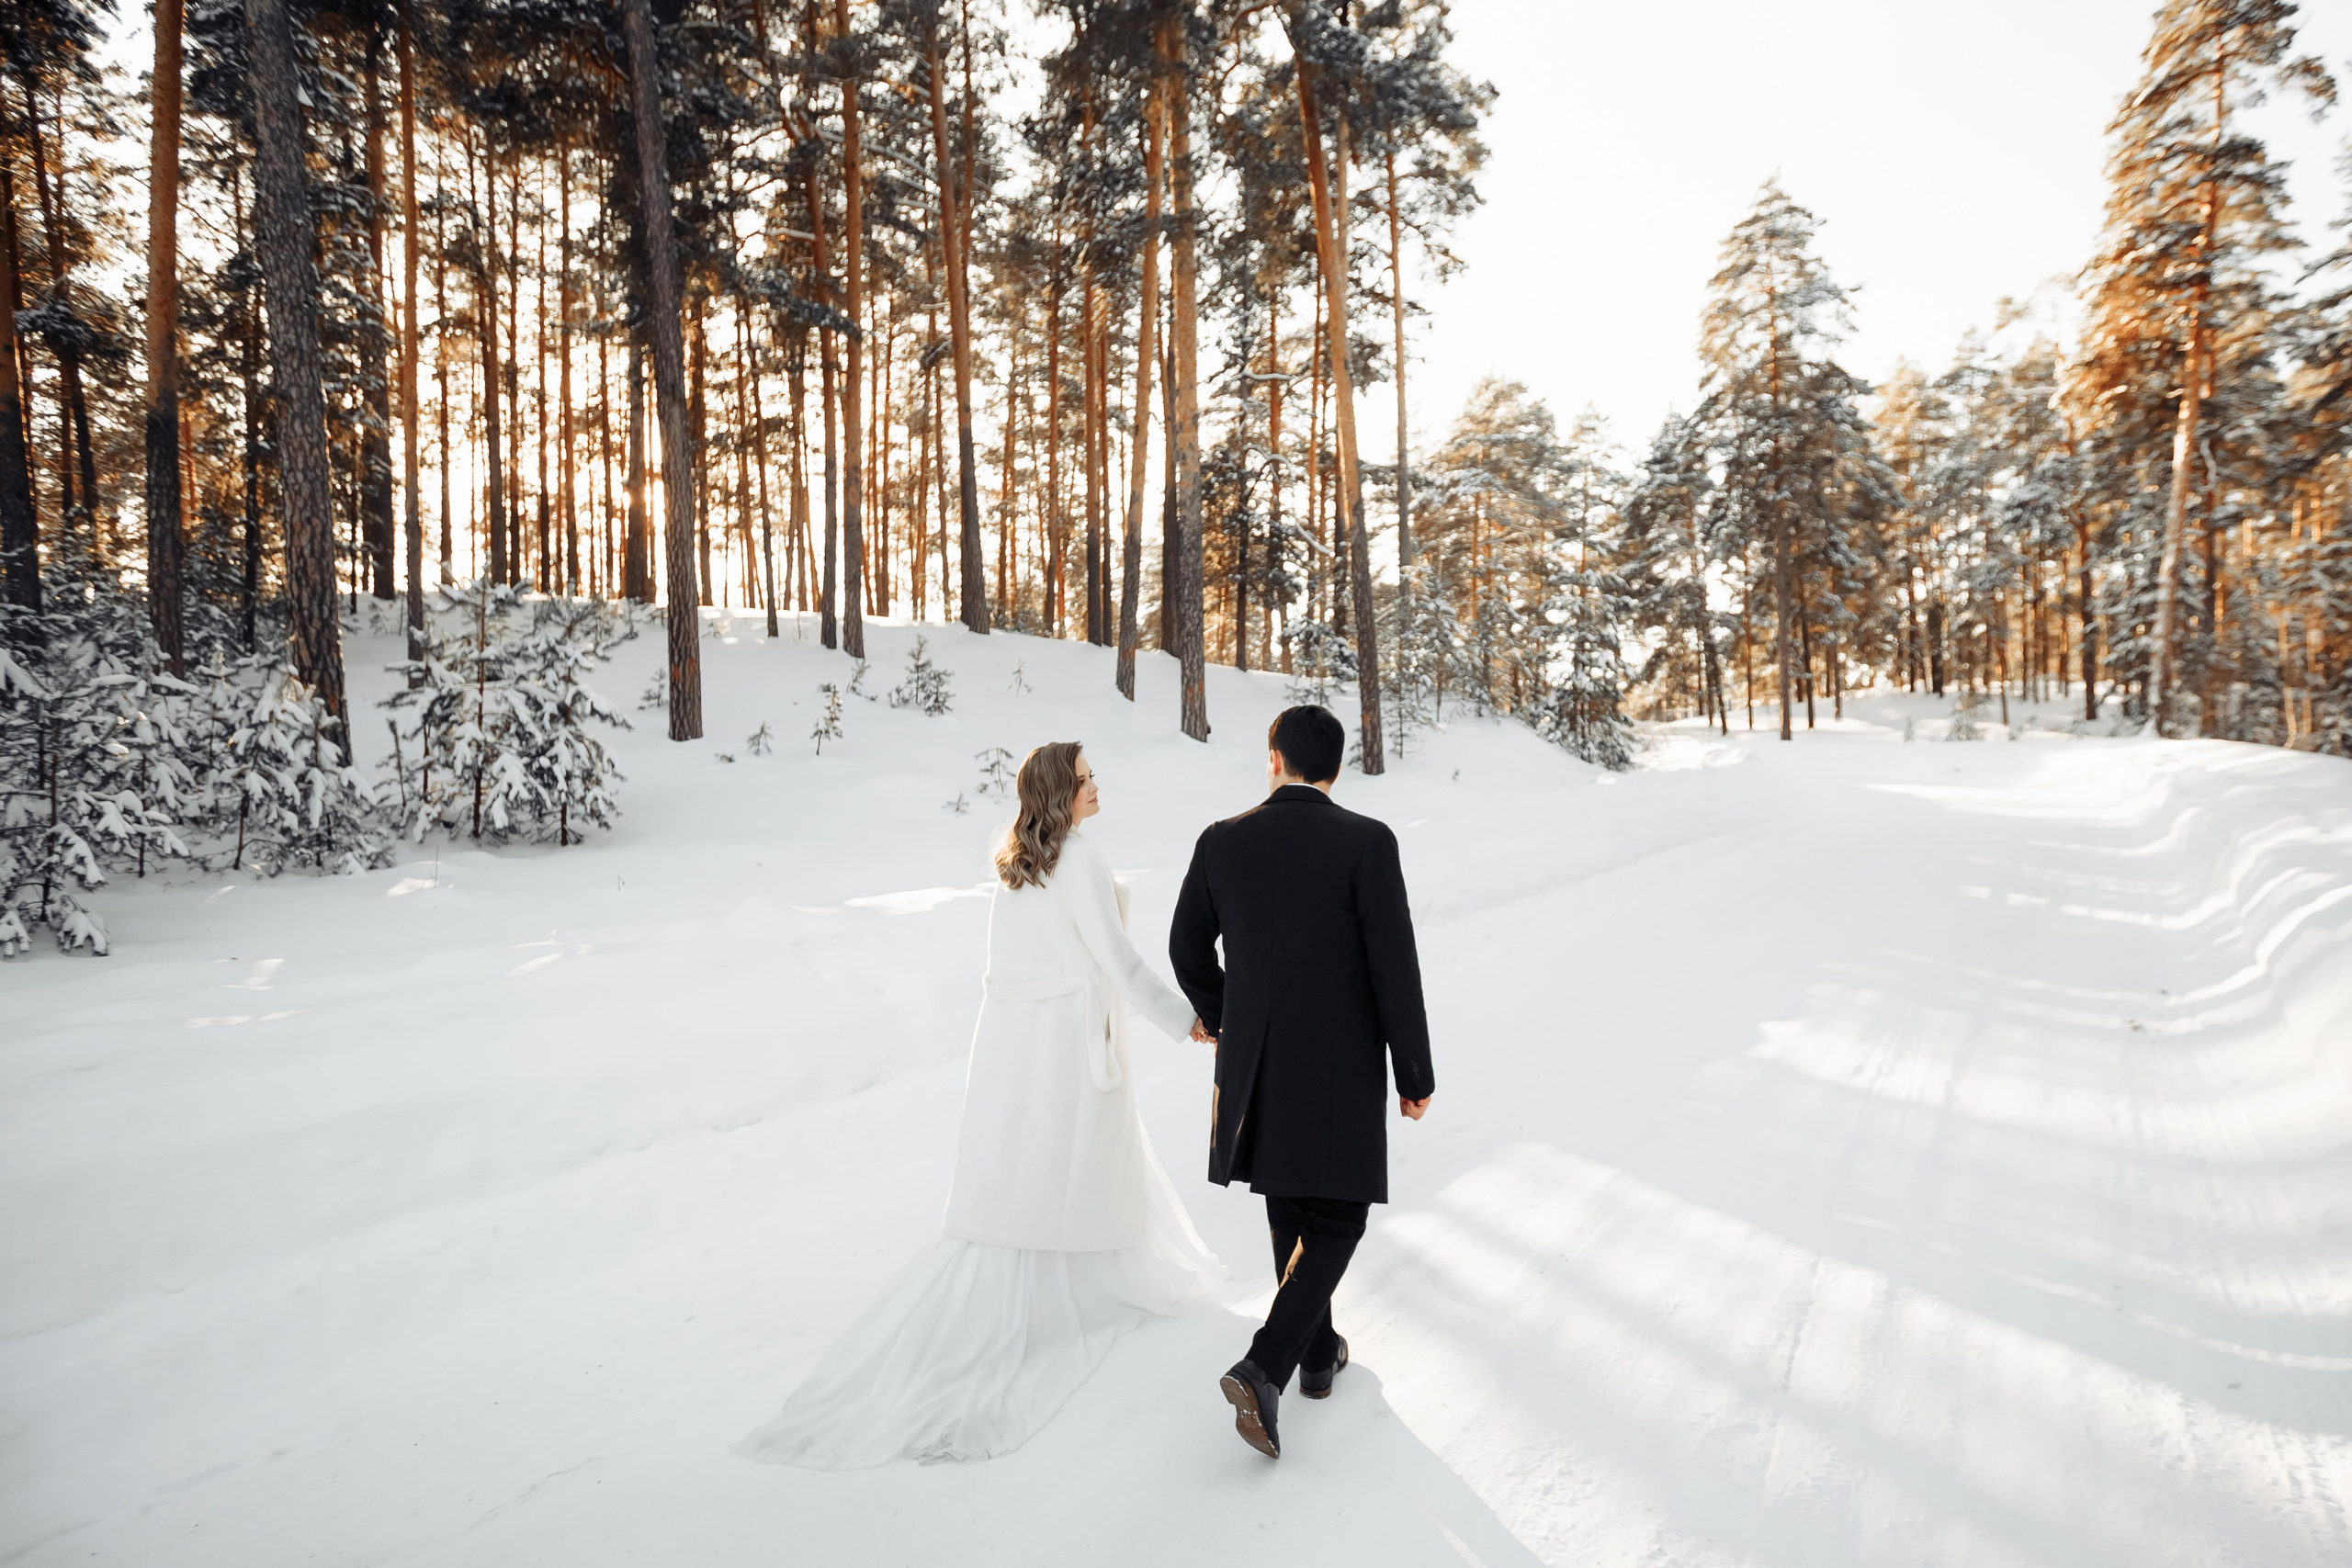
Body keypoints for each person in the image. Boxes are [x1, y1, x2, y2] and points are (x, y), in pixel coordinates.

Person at [735, 742, 1220, 1469]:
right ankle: (1089, 1285)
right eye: (1085, 779)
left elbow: (1010, 971)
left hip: (1022, 1044)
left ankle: (1072, 1276)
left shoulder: (1016, 863)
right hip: (1070, 1041)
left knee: (1036, 1166)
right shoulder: (1078, 857)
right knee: (1083, 1158)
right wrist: (1186, 1018)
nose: (1096, 787)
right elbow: (1118, 959)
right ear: (1059, 793)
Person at [1170, 704, 1434, 1460]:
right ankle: (1267, 1364)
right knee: (1340, 1214)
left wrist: (1233, 1015)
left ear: (1274, 758)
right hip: (1340, 1057)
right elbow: (1394, 966)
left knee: (1290, 1196)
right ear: (1336, 768)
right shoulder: (1367, 841)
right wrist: (1412, 1071)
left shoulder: (1221, 840)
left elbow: (1186, 948)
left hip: (1255, 1060)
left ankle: (1319, 1356)